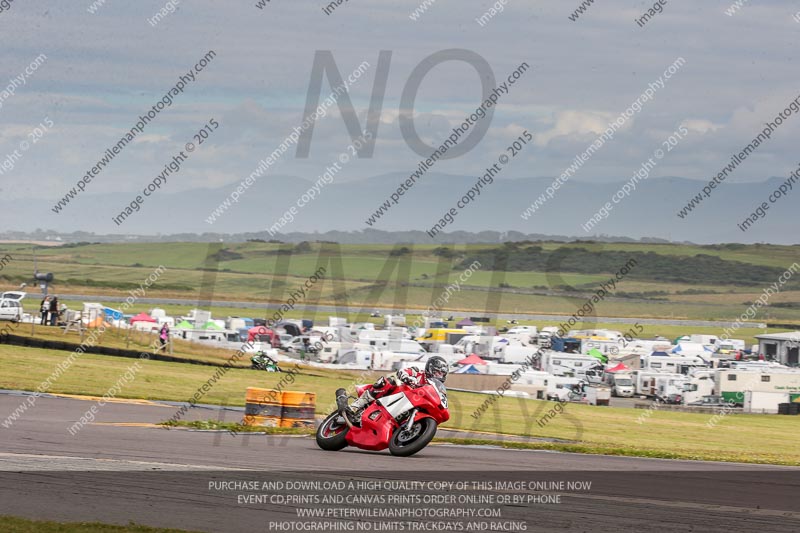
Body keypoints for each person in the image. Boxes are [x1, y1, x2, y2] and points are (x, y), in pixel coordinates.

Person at [347, 356, 449, 418]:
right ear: (430, 368)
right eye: (437, 372)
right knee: (389, 381)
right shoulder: (418, 372)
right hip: (398, 394)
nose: (439, 376)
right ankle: (356, 406)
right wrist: (407, 378)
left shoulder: (435, 387)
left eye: (442, 374)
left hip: (409, 405)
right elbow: (402, 371)